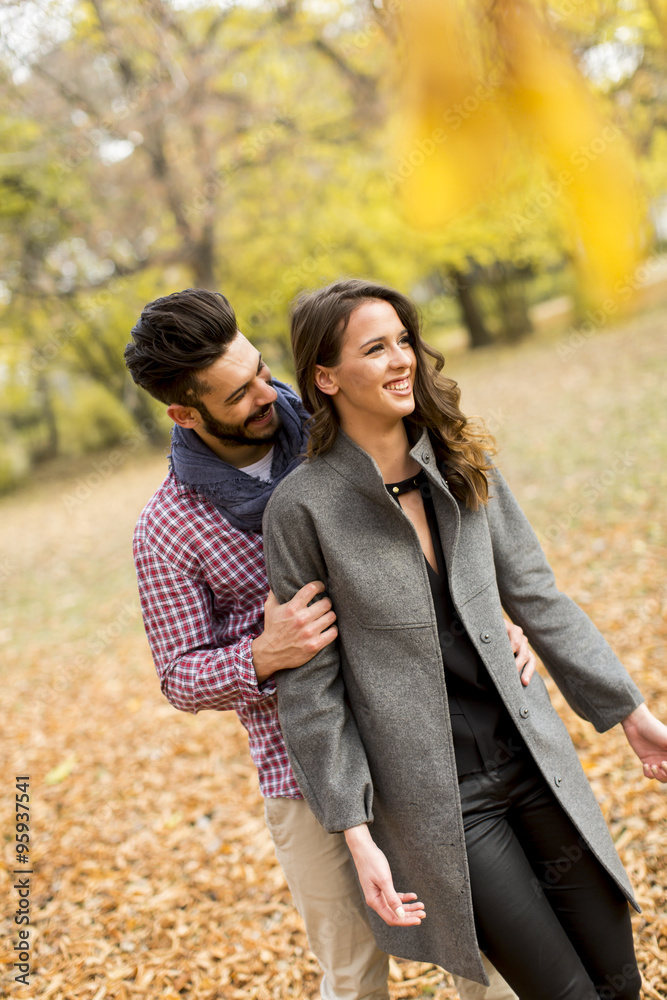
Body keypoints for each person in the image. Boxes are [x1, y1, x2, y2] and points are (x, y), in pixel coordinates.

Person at [262, 278, 667, 1000]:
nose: (401, 360)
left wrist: (631, 715)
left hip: (533, 759)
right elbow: (312, 690)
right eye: (374, 348)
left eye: (404, 341)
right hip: (442, 802)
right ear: (325, 378)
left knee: (620, 982)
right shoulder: (302, 509)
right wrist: (357, 834)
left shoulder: (459, 460)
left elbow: (536, 595)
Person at [124, 287, 526, 1000]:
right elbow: (178, 675)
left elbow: (449, 516)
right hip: (300, 771)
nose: (265, 395)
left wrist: (494, 614)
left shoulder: (341, 430)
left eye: (259, 370)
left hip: (429, 731)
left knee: (487, 955)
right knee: (353, 975)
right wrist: (263, 653)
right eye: (237, 394)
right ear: (184, 414)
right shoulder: (167, 528)